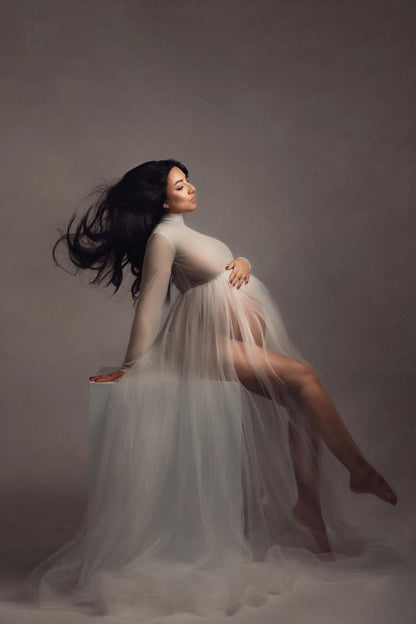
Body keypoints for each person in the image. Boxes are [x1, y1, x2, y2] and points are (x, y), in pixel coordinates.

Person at [25, 159, 397, 620]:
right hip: (198, 344)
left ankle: (307, 504)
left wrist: (242, 261)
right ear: (163, 199)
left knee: (299, 402)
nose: (191, 187)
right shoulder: (163, 239)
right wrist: (130, 366)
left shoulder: (190, 233)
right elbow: (152, 303)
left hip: (225, 338)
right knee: (304, 377)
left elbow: (224, 265)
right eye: (180, 185)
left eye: (187, 180)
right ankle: (359, 470)